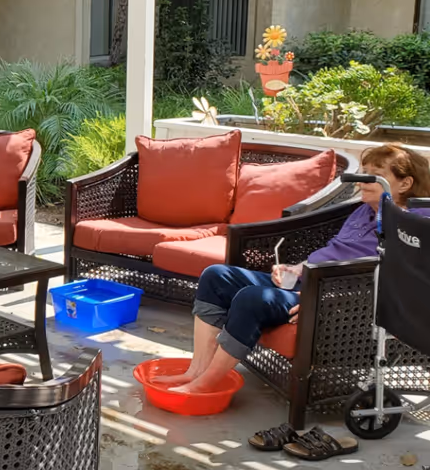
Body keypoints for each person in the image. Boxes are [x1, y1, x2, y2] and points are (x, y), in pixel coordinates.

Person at [161, 144, 430, 394]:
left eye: (375, 175)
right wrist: (295, 268)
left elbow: (395, 280)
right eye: (364, 172)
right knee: (216, 276)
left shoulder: (411, 225)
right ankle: (195, 371)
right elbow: (334, 250)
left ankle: (204, 385)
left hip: (336, 299)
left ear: (405, 183)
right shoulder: (362, 210)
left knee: (252, 298)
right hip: (308, 282)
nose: (362, 181)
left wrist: (323, 299)